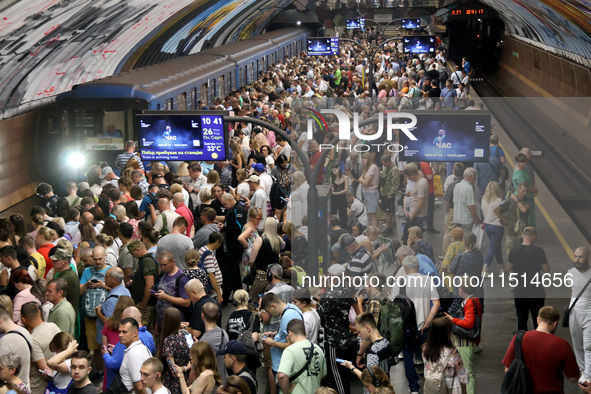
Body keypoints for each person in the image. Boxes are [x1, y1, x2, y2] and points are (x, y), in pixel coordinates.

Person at [502, 306, 579, 392]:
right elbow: (574, 378)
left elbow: (508, 369)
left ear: (538, 320)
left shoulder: (519, 338)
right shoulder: (562, 345)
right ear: (555, 324)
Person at [443, 279, 483, 394]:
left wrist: (453, 319)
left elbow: (468, 324)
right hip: (469, 341)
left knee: (467, 371)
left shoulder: (469, 302)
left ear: (463, 290)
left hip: (464, 342)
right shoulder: (474, 300)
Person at [507, 226, 549, 331]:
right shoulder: (539, 251)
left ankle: (522, 342)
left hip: (520, 289)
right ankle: (538, 341)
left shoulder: (514, 250)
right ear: (534, 237)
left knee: (522, 318)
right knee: (537, 318)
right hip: (535, 290)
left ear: (522, 236)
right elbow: (546, 269)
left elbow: (509, 267)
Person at [260, 293, 304, 380]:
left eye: (268, 311)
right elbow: (288, 332)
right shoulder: (290, 308)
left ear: (273, 306)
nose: (270, 314)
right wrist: (275, 333)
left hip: (283, 367)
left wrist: (273, 343)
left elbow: (292, 345)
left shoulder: (287, 316)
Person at [20, 302, 61, 394]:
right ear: (39, 312)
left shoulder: (33, 339)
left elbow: (45, 369)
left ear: (23, 319)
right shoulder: (53, 326)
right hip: (59, 382)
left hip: (40, 388)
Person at [277, 319, 327, 394]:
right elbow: (323, 375)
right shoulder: (318, 349)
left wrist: (286, 392)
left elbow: (281, 375)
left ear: (289, 333)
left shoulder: (290, 350)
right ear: (305, 333)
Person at [422, 318, 469, 394]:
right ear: (447, 334)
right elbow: (462, 374)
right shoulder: (453, 352)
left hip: (432, 386)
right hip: (451, 388)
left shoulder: (425, 349)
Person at [248, 218, 285, 306]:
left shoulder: (260, 240)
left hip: (262, 274)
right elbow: (284, 245)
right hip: (275, 276)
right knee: (270, 302)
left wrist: (251, 269)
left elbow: (251, 260)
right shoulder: (278, 241)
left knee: (253, 300)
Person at [567, 246, 591, 383]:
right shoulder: (570, 273)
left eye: (580, 257)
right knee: (577, 345)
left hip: (589, 316)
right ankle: (583, 369)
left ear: (588, 258)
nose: (577, 260)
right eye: (575, 256)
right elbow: (573, 291)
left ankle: (588, 375)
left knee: (588, 346)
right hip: (574, 314)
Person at [127, 240, 159, 330]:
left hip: (146, 304)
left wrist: (144, 303)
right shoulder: (144, 260)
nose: (133, 256)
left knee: (141, 329)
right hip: (142, 301)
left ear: (137, 250)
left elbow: (150, 283)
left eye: (133, 253)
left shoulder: (147, 261)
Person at [226, 290, 261, 373]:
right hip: (248, 356)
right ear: (249, 300)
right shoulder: (253, 316)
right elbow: (254, 338)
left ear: (234, 302)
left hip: (233, 354)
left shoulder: (231, 316)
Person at [158, 308, 190, 394]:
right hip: (189, 378)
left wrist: (181, 369)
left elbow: (173, 368)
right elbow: (194, 356)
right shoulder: (187, 334)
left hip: (174, 381)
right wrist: (186, 367)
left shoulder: (168, 340)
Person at [0, 306, 33, 387]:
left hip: (11, 389)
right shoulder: (24, 331)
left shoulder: (6, 340)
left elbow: (1, 371)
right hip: (24, 385)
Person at [119, 317, 153, 393]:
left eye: (124, 332)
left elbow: (140, 387)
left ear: (135, 333)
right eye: (119, 332)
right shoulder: (139, 348)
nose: (120, 335)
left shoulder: (134, 354)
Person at [481, 181, 506, 275]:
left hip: (487, 225)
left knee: (497, 247)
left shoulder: (484, 200)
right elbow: (502, 213)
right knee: (492, 248)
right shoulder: (498, 200)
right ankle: (485, 269)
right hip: (497, 227)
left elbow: (483, 212)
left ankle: (501, 267)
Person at [402, 163, 428, 245]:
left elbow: (420, 203)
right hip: (414, 214)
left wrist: (412, 215)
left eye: (409, 177)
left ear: (413, 175)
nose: (409, 180)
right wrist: (411, 194)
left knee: (415, 237)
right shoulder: (421, 181)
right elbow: (418, 196)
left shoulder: (421, 184)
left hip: (417, 215)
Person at [238, 208, 262, 283]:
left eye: (261, 219)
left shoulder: (253, 226)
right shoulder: (249, 228)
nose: (259, 221)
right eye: (257, 219)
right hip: (248, 257)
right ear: (251, 217)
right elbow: (240, 238)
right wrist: (249, 246)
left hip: (251, 255)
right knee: (248, 279)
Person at [198, 232, 224, 302]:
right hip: (212, 291)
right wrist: (219, 294)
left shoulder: (202, 249)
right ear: (217, 242)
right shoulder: (208, 254)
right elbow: (211, 275)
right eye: (220, 243)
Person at [452, 167, 481, 232]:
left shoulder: (457, 186)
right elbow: (471, 206)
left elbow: (454, 201)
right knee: (466, 240)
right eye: (475, 177)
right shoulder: (469, 188)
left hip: (457, 218)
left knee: (459, 239)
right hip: (466, 221)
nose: (475, 179)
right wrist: (476, 219)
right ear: (471, 176)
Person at [359, 153, 380, 228]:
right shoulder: (367, 168)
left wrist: (363, 180)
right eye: (362, 159)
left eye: (364, 159)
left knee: (372, 216)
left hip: (371, 194)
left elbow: (365, 183)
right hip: (367, 193)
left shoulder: (372, 168)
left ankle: (373, 232)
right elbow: (361, 179)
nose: (362, 161)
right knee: (369, 214)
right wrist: (363, 180)